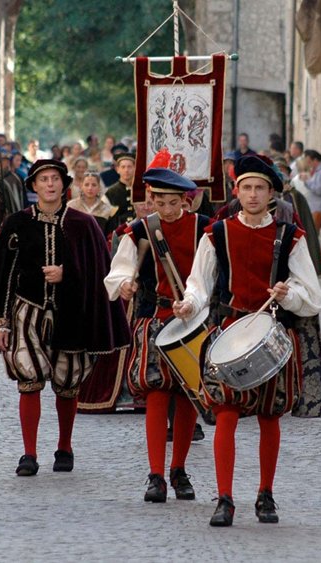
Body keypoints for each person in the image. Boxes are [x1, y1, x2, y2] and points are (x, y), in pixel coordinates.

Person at [173, 155, 321, 527]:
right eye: (246, 187)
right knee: (226, 412)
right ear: (236, 191)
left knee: (269, 415)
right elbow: (199, 282)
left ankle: (265, 494)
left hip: (272, 331)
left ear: (271, 193)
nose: (253, 194)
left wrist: (288, 295)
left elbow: (313, 292)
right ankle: (224, 498)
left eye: (260, 188)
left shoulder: (292, 237)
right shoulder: (217, 233)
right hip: (228, 329)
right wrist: (188, 304)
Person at [0, 159, 130, 478]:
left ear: (64, 185)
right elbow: (3, 275)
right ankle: (29, 453)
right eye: (43, 179)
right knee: (28, 380)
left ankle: (64, 446)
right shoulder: (17, 224)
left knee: (67, 383)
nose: (49, 184)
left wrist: (67, 273)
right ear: (33, 186)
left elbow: (99, 271)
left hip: (70, 313)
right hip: (25, 312)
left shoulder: (83, 224)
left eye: (55, 179)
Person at [104, 161, 208, 503]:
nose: (165, 209)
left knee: (187, 394)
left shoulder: (205, 230)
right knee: (156, 394)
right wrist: (125, 286)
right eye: (159, 202)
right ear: (151, 199)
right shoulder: (138, 231)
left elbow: (214, 276)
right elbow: (117, 273)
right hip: (153, 317)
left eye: (172, 203)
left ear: (186, 201)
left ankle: (179, 469)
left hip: (193, 322)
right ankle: (156, 475)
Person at [301, 149, 321, 231]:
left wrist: (307, 181)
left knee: (313, 234)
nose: (308, 164)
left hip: (319, 209)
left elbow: (319, 190)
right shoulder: (316, 170)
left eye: (309, 162)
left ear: (315, 160)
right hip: (313, 208)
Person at [105, 152, 137, 233]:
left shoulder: (141, 189)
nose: (126, 170)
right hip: (119, 232)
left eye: (129, 167)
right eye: (123, 167)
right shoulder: (111, 192)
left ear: (135, 168)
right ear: (117, 169)